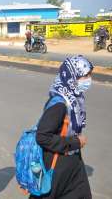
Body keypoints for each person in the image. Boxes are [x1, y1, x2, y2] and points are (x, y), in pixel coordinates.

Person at [31, 56, 93, 199]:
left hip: (73, 164)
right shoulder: (59, 104)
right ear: (72, 76)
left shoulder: (74, 100)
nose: (89, 79)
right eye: (85, 76)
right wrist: (76, 143)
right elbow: (42, 136)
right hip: (57, 165)